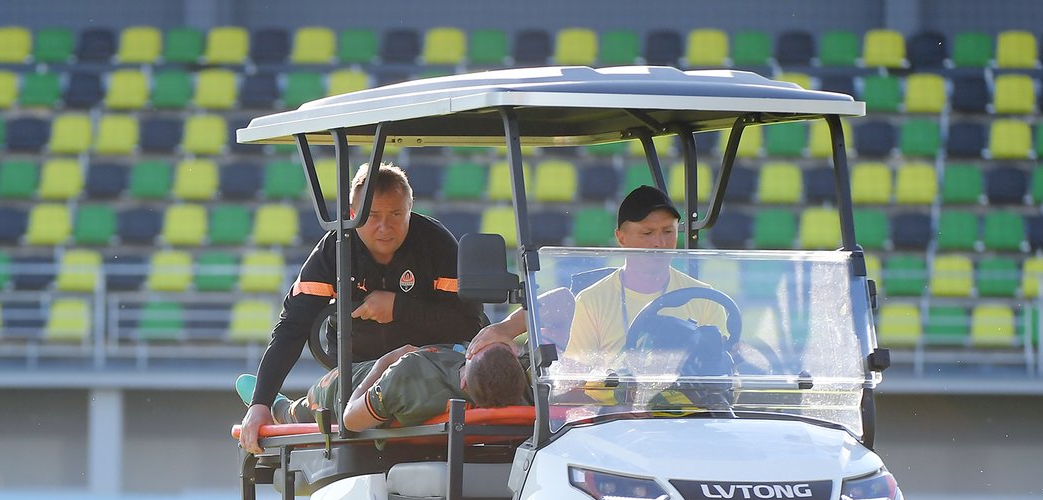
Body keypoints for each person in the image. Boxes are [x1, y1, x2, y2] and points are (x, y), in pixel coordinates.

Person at [239, 161, 485, 454]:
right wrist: (260, 404)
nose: (384, 227)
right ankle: (282, 409)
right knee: (335, 392)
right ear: (352, 214)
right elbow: (293, 327)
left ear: (410, 209)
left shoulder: (438, 244)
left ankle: (290, 408)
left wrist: (399, 308)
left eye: (396, 214)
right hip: (357, 369)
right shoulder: (334, 250)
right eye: (372, 216)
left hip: (424, 368)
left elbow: (470, 325)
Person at [466, 185, 727, 366]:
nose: (660, 243)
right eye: (647, 234)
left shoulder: (705, 297)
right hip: (618, 425)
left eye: (668, 232)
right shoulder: (592, 301)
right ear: (621, 238)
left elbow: (723, 370)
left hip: (694, 416)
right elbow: (579, 380)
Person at [237, 341, 529, 451]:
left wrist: (385, 361)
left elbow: (350, 421)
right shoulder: (515, 391)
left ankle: (279, 407)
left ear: (465, 380)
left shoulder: (410, 375)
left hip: (345, 388)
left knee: (303, 408)